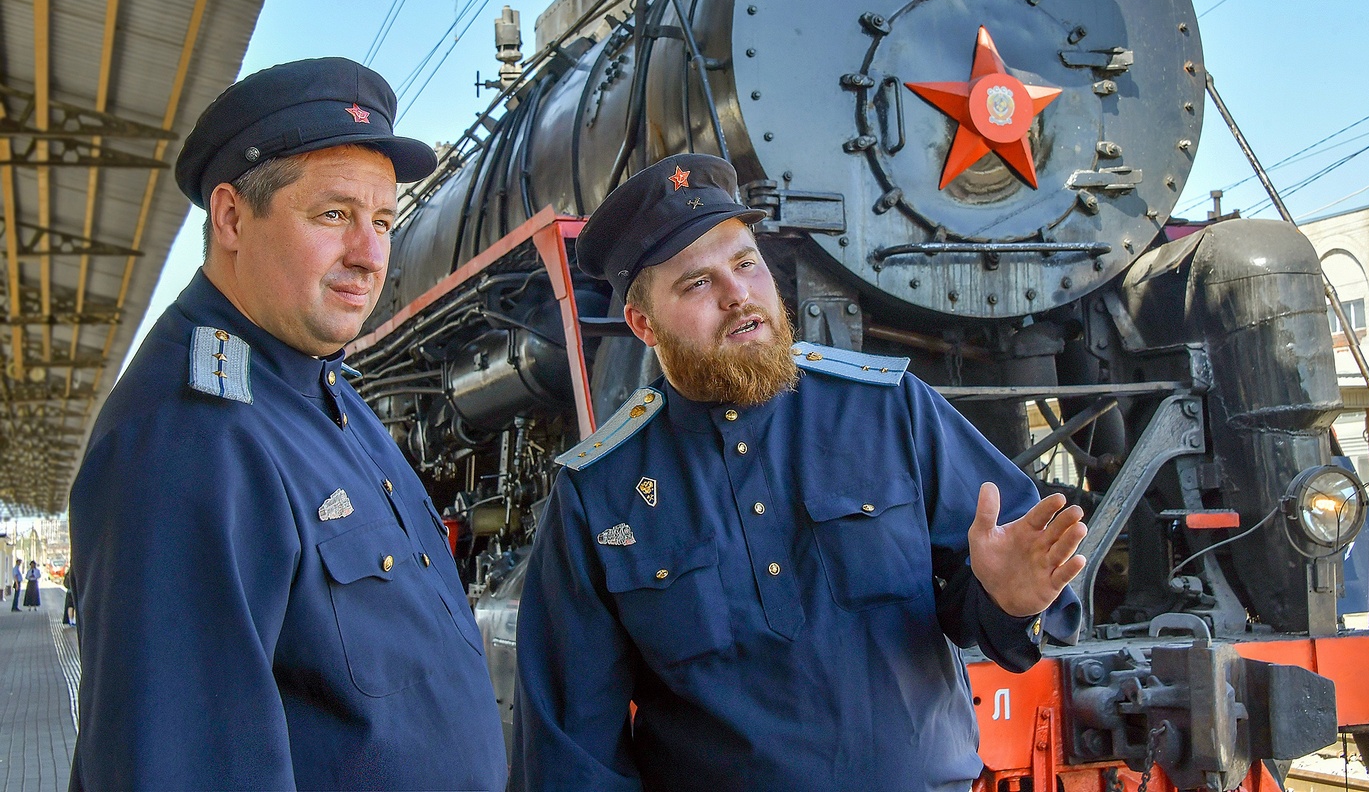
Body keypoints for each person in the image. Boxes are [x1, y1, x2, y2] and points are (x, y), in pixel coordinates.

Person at [512, 154, 1086, 792]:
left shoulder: (891, 407)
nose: (739, 297)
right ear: (644, 325)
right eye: (696, 284)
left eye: (745, 262)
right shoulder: (599, 492)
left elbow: (1015, 598)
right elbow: (572, 754)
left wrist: (1009, 599)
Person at [69, 59, 506, 790]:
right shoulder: (190, 435)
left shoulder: (323, 392)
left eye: (383, 222)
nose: (369, 255)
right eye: (333, 215)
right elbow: (179, 768)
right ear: (233, 218)